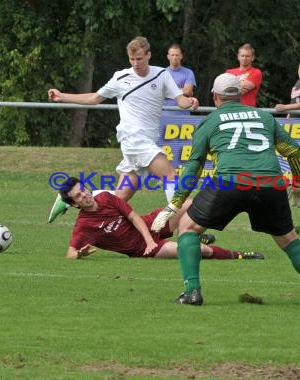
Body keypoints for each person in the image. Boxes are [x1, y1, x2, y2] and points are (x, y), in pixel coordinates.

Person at [151, 73, 300, 308]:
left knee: (188, 227)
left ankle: (192, 292)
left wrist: (175, 204)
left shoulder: (210, 121)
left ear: (215, 96)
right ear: (240, 95)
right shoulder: (264, 117)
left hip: (229, 183)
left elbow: (194, 167)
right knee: (289, 239)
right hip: (270, 184)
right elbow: (294, 151)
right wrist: (299, 183)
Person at [47, 36, 199, 223]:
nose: (135, 63)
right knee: (170, 175)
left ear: (149, 55)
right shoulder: (121, 77)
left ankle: (67, 201)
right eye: (131, 59)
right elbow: (94, 98)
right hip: (133, 139)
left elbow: (180, 100)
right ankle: (186, 225)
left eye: (139, 59)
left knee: (119, 197)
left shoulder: (162, 75)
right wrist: (62, 96)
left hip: (147, 141)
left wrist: (190, 102)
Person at [60, 176, 264, 260]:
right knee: (200, 251)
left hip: (151, 224)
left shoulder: (105, 197)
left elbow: (133, 217)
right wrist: (80, 254)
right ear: (75, 204)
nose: (84, 195)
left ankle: (189, 234)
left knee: (190, 204)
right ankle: (240, 255)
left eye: (83, 190)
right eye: (78, 196)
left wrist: (150, 238)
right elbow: (70, 253)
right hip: (143, 249)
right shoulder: (84, 225)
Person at [163, 43, 197, 115]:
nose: (174, 57)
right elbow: (159, 92)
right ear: (168, 57)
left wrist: (167, 91)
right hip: (164, 116)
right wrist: (181, 90)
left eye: (177, 55)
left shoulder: (188, 72)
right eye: (172, 55)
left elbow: (187, 91)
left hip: (183, 116)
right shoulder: (162, 73)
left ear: (181, 56)